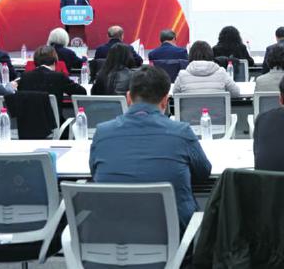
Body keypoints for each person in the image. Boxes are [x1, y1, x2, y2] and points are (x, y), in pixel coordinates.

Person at [89, 66, 212, 230]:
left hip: (111, 233)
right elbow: (203, 173)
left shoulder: (102, 133)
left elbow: (95, 172)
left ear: (128, 98)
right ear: (165, 101)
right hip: (172, 236)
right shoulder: (181, 133)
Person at [18, 46, 86, 109]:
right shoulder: (59, 77)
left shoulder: (24, 77)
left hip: (29, 117)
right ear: (55, 60)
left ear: (35, 61)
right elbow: (82, 92)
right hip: (54, 117)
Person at [172, 41, 240, 98]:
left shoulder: (182, 75)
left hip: (189, 110)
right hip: (216, 110)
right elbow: (236, 93)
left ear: (190, 55)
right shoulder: (221, 73)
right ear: (210, 54)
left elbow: (175, 95)